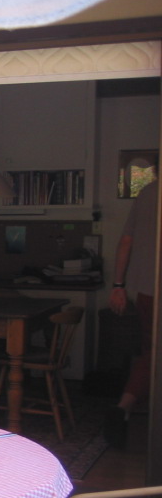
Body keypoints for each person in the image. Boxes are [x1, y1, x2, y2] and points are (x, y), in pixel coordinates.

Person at [105, 176, 158, 449]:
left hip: (148, 290)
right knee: (153, 355)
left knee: (152, 353)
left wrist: (118, 285)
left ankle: (124, 407)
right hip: (150, 289)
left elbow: (126, 241)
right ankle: (125, 408)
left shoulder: (148, 192)